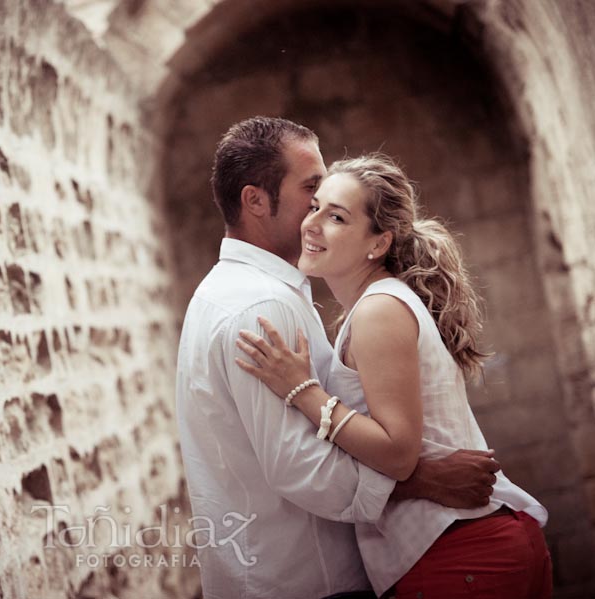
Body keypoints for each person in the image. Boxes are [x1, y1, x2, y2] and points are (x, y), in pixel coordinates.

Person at [176, 117, 503, 599]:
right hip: (305, 580)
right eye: (312, 190)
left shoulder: (243, 294)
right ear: (256, 201)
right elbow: (298, 465)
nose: (317, 206)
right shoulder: (259, 307)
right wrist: (422, 481)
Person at [235, 153, 551, 598]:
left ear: (378, 243)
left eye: (338, 217)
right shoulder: (376, 306)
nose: (313, 223)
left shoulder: (380, 309)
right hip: (470, 548)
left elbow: (398, 453)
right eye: (315, 207)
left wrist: (301, 390)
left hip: (461, 555)